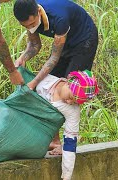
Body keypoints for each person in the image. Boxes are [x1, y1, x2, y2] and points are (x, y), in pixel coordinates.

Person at [13, 0, 98, 154]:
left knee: (68, 90)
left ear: (38, 12)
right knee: (51, 90)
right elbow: (34, 46)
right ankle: (54, 140)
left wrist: (33, 83)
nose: (29, 27)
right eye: (25, 26)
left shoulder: (59, 18)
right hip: (67, 42)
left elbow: (54, 58)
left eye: (31, 23)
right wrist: (22, 58)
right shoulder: (30, 16)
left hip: (85, 39)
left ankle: (68, 142)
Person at [36, 70, 99, 180]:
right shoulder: (45, 81)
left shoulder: (72, 110)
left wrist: (67, 176)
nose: (70, 102)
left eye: (75, 102)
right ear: (68, 83)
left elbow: (70, 143)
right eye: (70, 96)